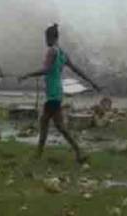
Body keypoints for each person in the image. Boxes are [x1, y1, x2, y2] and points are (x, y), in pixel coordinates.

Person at [18, 24, 100, 163]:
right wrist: (92, 83)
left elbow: (46, 69)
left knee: (47, 123)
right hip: (57, 93)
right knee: (57, 125)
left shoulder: (52, 51)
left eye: (46, 38)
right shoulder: (62, 53)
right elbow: (77, 70)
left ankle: (40, 154)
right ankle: (78, 152)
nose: (45, 41)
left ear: (52, 37)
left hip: (52, 94)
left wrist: (27, 75)